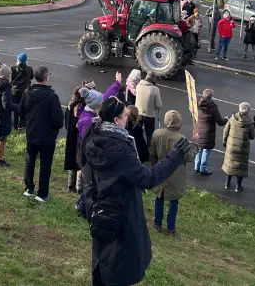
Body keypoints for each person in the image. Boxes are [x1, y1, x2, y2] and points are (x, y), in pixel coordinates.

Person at [82, 97, 191, 286]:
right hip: (121, 209)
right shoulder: (120, 148)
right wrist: (173, 157)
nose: (127, 118)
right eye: (124, 115)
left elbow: (86, 170)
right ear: (116, 120)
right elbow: (147, 179)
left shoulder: (93, 136)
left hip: (99, 206)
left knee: (102, 256)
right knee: (119, 261)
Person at [18, 65, 63, 202]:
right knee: (45, 165)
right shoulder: (52, 97)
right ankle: (42, 194)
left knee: (29, 161)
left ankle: (29, 188)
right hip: (47, 136)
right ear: (46, 77)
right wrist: (54, 130)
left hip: (31, 133)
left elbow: (21, 112)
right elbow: (58, 120)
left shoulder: (27, 93)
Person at [150, 110, 195, 236]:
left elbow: (152, 154)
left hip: (160, 172)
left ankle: (157, 224)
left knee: (159, 199)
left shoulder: (157, 133)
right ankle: (171, 228)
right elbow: (190, 157)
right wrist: (194, 144)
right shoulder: (181, 139)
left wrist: (155, 168)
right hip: (175, 176)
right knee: (173, 203)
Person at [222, 102, 255, 192]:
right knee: (240, 167)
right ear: (248, 110)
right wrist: (254, 127)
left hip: (231, 147)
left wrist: (224, 142)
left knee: (230, 164)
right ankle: (238, 186)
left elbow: (225, 131)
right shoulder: (250, 122)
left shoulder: (232, 119)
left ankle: (227, 183)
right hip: (242, 148)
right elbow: (252, 136)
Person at [194, 88, 227, 175]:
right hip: (208, 132)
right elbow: (220, 122)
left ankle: (196, 167)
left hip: (198, 129)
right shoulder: (213, 107)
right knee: (206, 150)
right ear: (211, 96)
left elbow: (193, 115)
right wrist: (227, 119)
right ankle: (203, 169)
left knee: (199, 149)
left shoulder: (197, 104)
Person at [64, 82, 87, 193]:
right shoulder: (83, 108)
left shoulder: (70, 105)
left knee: (71, 159)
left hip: (70, 137)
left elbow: (66, 123)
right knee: (79, 162)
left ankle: (70, 185)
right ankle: (79, 187)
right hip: (79, 139)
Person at [135, 72, 162, 146]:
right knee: (149, 134)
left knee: (138, 132)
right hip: (149, 115)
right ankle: (149, 151)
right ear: (153, 79)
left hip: (138, 114)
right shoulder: (155, 89)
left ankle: (139, 148)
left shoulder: (138, 86)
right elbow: (158, 105)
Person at [11, 53, 34, 129]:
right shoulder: (29, 68)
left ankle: (15, 125)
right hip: (25, 90)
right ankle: (22, 125)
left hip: (15, 90)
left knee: (15, 108)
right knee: (23, 108)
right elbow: (31, 77)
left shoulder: (13, 68)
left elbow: (11, 79)